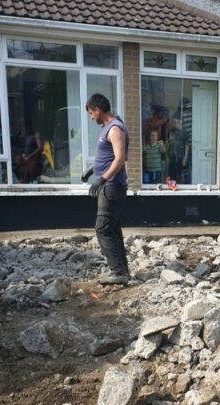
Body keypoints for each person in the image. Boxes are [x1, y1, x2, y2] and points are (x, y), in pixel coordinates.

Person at [86, 93, 131, 285]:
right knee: (112, 228)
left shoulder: (115, 129)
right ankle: (122, 270)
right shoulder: (108, 127)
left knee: (103, 228)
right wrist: (91, 170)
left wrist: (101, 180)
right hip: (110, 185)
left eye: (91, 113)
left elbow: (120, 159)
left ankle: (118, 272)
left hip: (111, 187)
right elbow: (108, 156)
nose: (91, 117)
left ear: (98, 110)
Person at [167, 116, 190, 183]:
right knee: (171, 175)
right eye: (174, 122)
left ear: (180, 123)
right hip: (171, 157)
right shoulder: (171, 132)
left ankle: (178, 190)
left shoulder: (184, 133)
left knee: (179, 175)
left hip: (180, 157)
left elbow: (187, 146)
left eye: (177, 122)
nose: (175, 124)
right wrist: (167, 157)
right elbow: (168, 145)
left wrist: (185, 158)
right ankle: (172, 189)